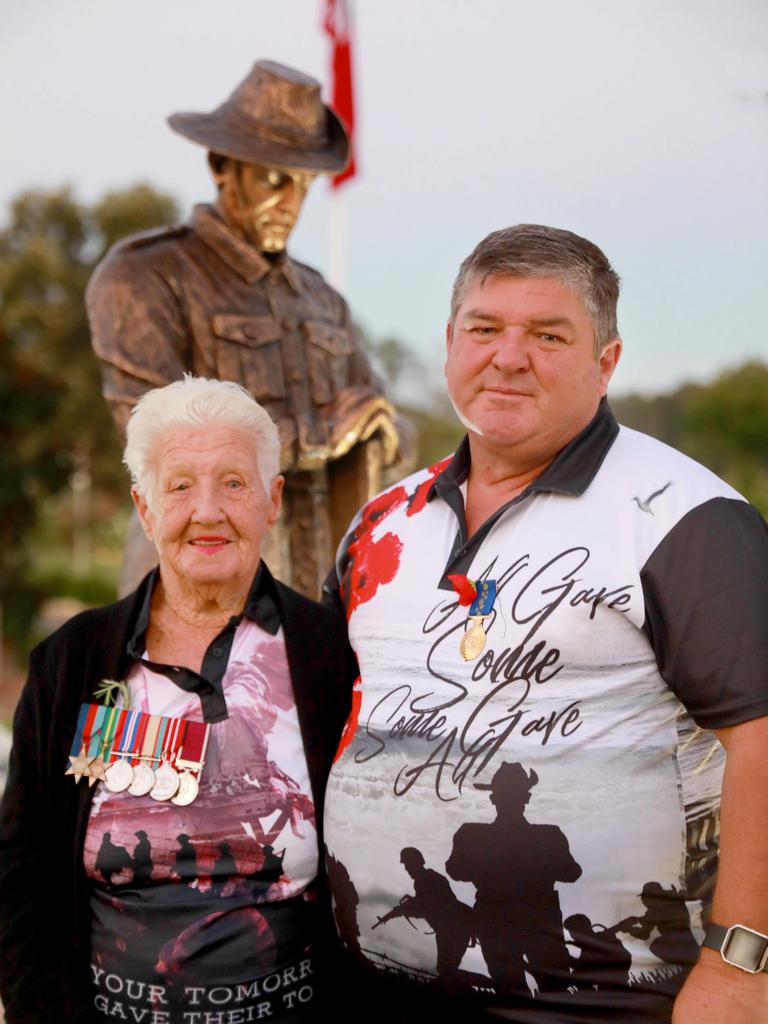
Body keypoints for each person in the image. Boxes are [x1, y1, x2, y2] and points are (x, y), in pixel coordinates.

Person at [322, 225, 768, 1022]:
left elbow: (763, 741)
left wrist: (742, 968)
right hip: (377, 992)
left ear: (607, 362)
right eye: (484, 328)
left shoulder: (682, 517)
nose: (508, 355)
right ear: (450, 343)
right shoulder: (384, 522)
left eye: (548, 335)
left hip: (601, 1004)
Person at [0, 376, 355, 1023]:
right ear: (145, 507)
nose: (208, 511)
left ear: (272, 501)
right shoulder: (74, 661)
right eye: (181, 485)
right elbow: (20, 868)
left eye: (233, 483)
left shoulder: (330, 652)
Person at [86, 59, 405, 600]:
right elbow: (157, 444)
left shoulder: (322, 297)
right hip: (193, 594)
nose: (291, 204)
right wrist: (323, 433)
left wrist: (384, 429)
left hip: (317, 601)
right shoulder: (143, 273)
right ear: (221, 165)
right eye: (274, 179)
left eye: (304, 185)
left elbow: (382, 430)